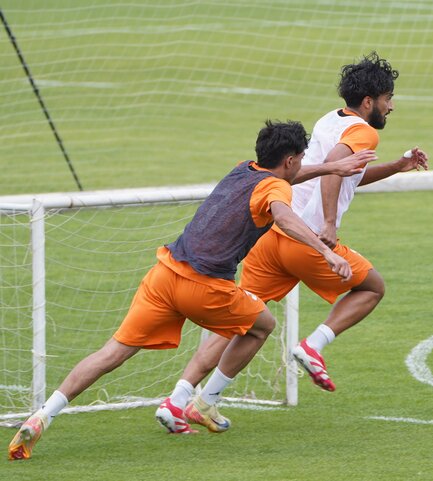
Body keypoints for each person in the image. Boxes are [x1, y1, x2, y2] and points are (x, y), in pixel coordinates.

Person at [7, 120, 377, 460]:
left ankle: (43, 415)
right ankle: (205, 402)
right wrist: (327, 252)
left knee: (112, 353)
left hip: (163, 275)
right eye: (300, 160)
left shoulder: (243, 169)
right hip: (204, 287)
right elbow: (284, 214)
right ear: (291, 159)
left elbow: (284, 180)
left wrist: (331, 168)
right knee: (262, 326)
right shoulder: (277, 188)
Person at [155, 51, 428, 434]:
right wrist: (329, 224)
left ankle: (188, 400)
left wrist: (397, 166)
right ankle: (313, 345)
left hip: (271, 238)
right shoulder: (365, 131)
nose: (391, 106)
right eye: (388, 99)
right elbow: (334, 169)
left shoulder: (329, 120)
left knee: (240, 322)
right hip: (305, 238)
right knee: (372, 288)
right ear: (369, 101)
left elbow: (346, 173)